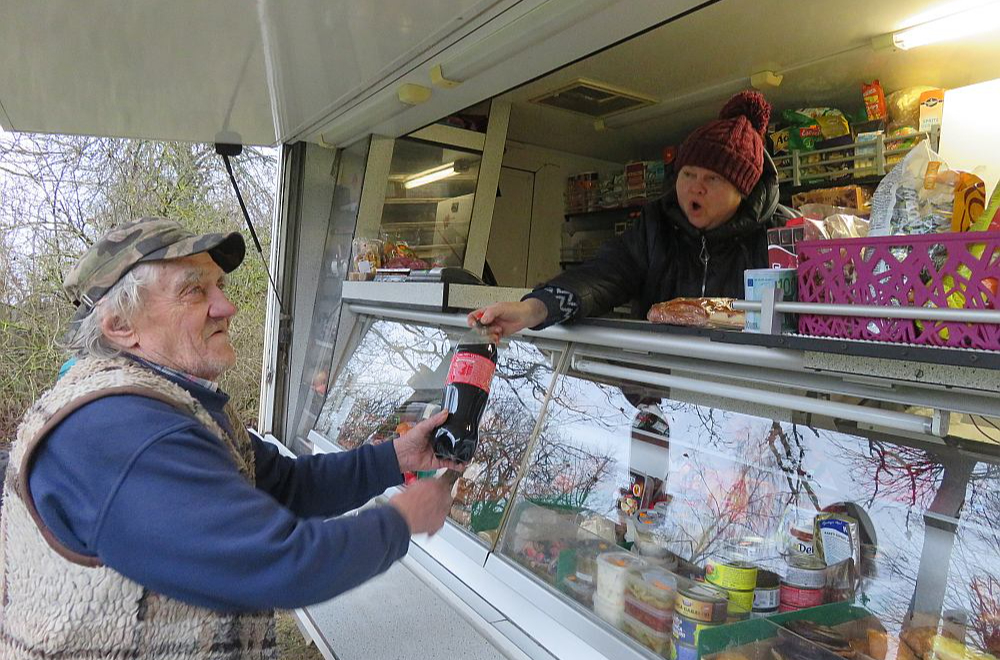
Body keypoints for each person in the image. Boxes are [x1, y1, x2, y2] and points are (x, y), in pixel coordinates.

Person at [0, 217, 461, 660]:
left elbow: (285, 484)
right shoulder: (127, 433)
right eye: (194, 290)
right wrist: (403, 519)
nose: (227, 306)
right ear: (121, 326)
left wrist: (393, 457)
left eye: (218, 286)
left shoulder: (169, 401)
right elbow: (281, 564)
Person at [470, 90, 795, 337]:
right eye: (688, 174)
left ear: (743, 189)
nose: (696, 188)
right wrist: (534, 309)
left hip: (755, 391)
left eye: (713, 179)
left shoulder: (784, 234)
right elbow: (604, 273)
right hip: (664, 388)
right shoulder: (657, 224)